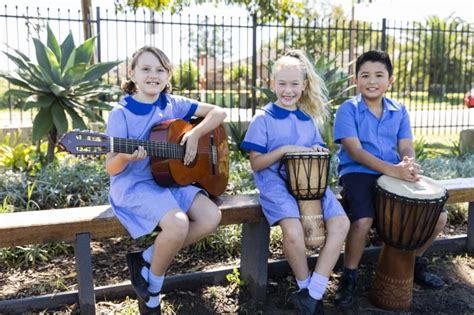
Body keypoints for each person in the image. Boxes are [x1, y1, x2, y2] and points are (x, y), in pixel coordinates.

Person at [105, 46, 226, 314]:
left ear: (168, 75)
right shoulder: (121, 113)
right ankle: (152, 295)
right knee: (178, 224)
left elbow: (219, 113)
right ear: (132, 73)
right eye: (146, 69)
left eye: (160, 69)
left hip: (169, 179)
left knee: (210, 217)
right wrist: (126, 157)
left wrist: (195, 135)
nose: (153, 75)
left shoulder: (173, 104)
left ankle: (147, 259)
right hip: (134, 185)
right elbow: (111, 168)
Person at [332, 50, 447, 307]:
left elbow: (406, 144)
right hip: (358, 173)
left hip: (393, 172)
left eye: (379, 75)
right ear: (356, 79)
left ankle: (412, 262)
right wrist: (393, 170)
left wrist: (407, 162)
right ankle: (349, 276)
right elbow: (356, 151)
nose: (372, 81)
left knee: (439, 216)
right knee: (363, 220)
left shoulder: (399, 110)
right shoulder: (347, 109)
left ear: (390, 80)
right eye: (365, 75)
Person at [240, 49, 350, 315]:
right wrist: (284, 149)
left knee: (341, 223)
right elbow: (256, 163)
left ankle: (312, 295)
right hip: (275, 186)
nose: (287, 90)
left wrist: (319, 152)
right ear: (272, 84)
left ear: (304, 85)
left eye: (294, 84)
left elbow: (319, 150)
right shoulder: (263, 118)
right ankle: (304, 286)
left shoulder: (308, 119)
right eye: (282, 83)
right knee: (292, 232)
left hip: (310, 185)